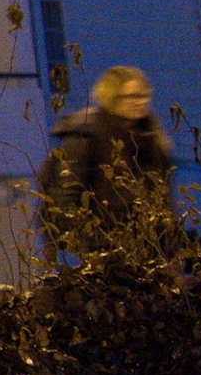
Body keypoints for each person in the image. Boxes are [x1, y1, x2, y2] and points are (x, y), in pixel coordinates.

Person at [36, 63, 179, 262]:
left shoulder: (152, 138)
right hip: (105, 252)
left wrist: (170, 244)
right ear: (112, 97)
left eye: (144, 95)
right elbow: (65, 194)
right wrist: (92, 242)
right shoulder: (87, 133)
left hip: (150, 252)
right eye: (133, 96)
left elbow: (164, 196)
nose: (140, 102)